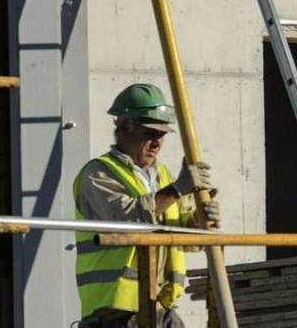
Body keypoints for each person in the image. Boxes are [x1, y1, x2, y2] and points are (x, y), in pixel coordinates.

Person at [73, 83, 220, 328]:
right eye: (149, 133)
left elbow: (187, 236)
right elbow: (127, 219)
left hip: (162, 307)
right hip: (116, 313)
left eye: (161, 135)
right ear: (124, 127)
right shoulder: (98, 174)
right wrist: (177, 190)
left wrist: (202, 221)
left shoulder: (163, 175)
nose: (157, 142)